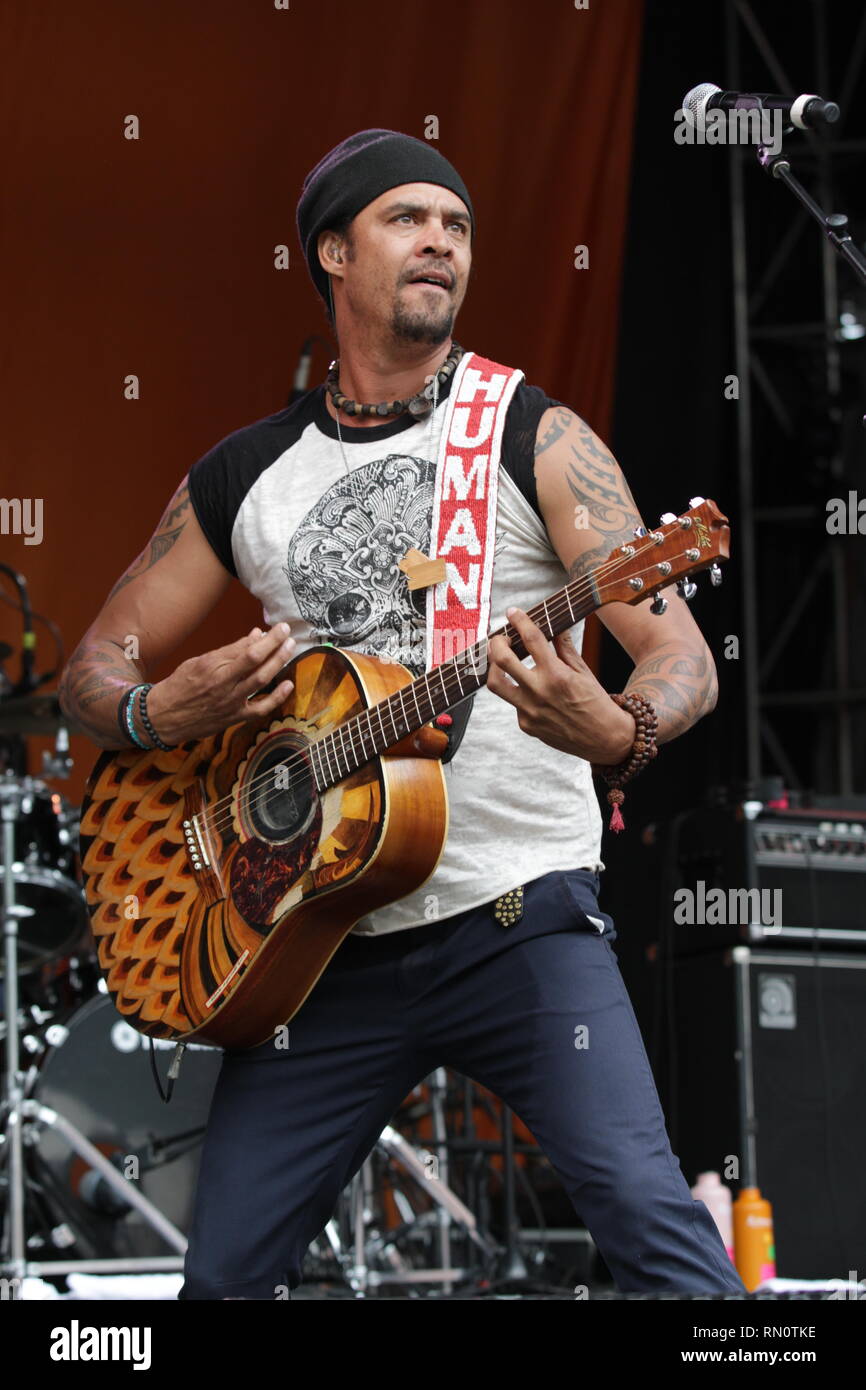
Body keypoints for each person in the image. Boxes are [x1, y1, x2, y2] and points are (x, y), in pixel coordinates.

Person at [59, 129, 747, 1299]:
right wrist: (151, 707)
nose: (441, 240)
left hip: (517, 913)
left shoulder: (534, 432)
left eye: (458, 224)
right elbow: (93, 660)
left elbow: (677, 650)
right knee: (220, 1282)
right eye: (406, 218)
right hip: (319, 941)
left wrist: (620, 728)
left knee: (650, 1225)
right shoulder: (244, 473)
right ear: (332, 252)